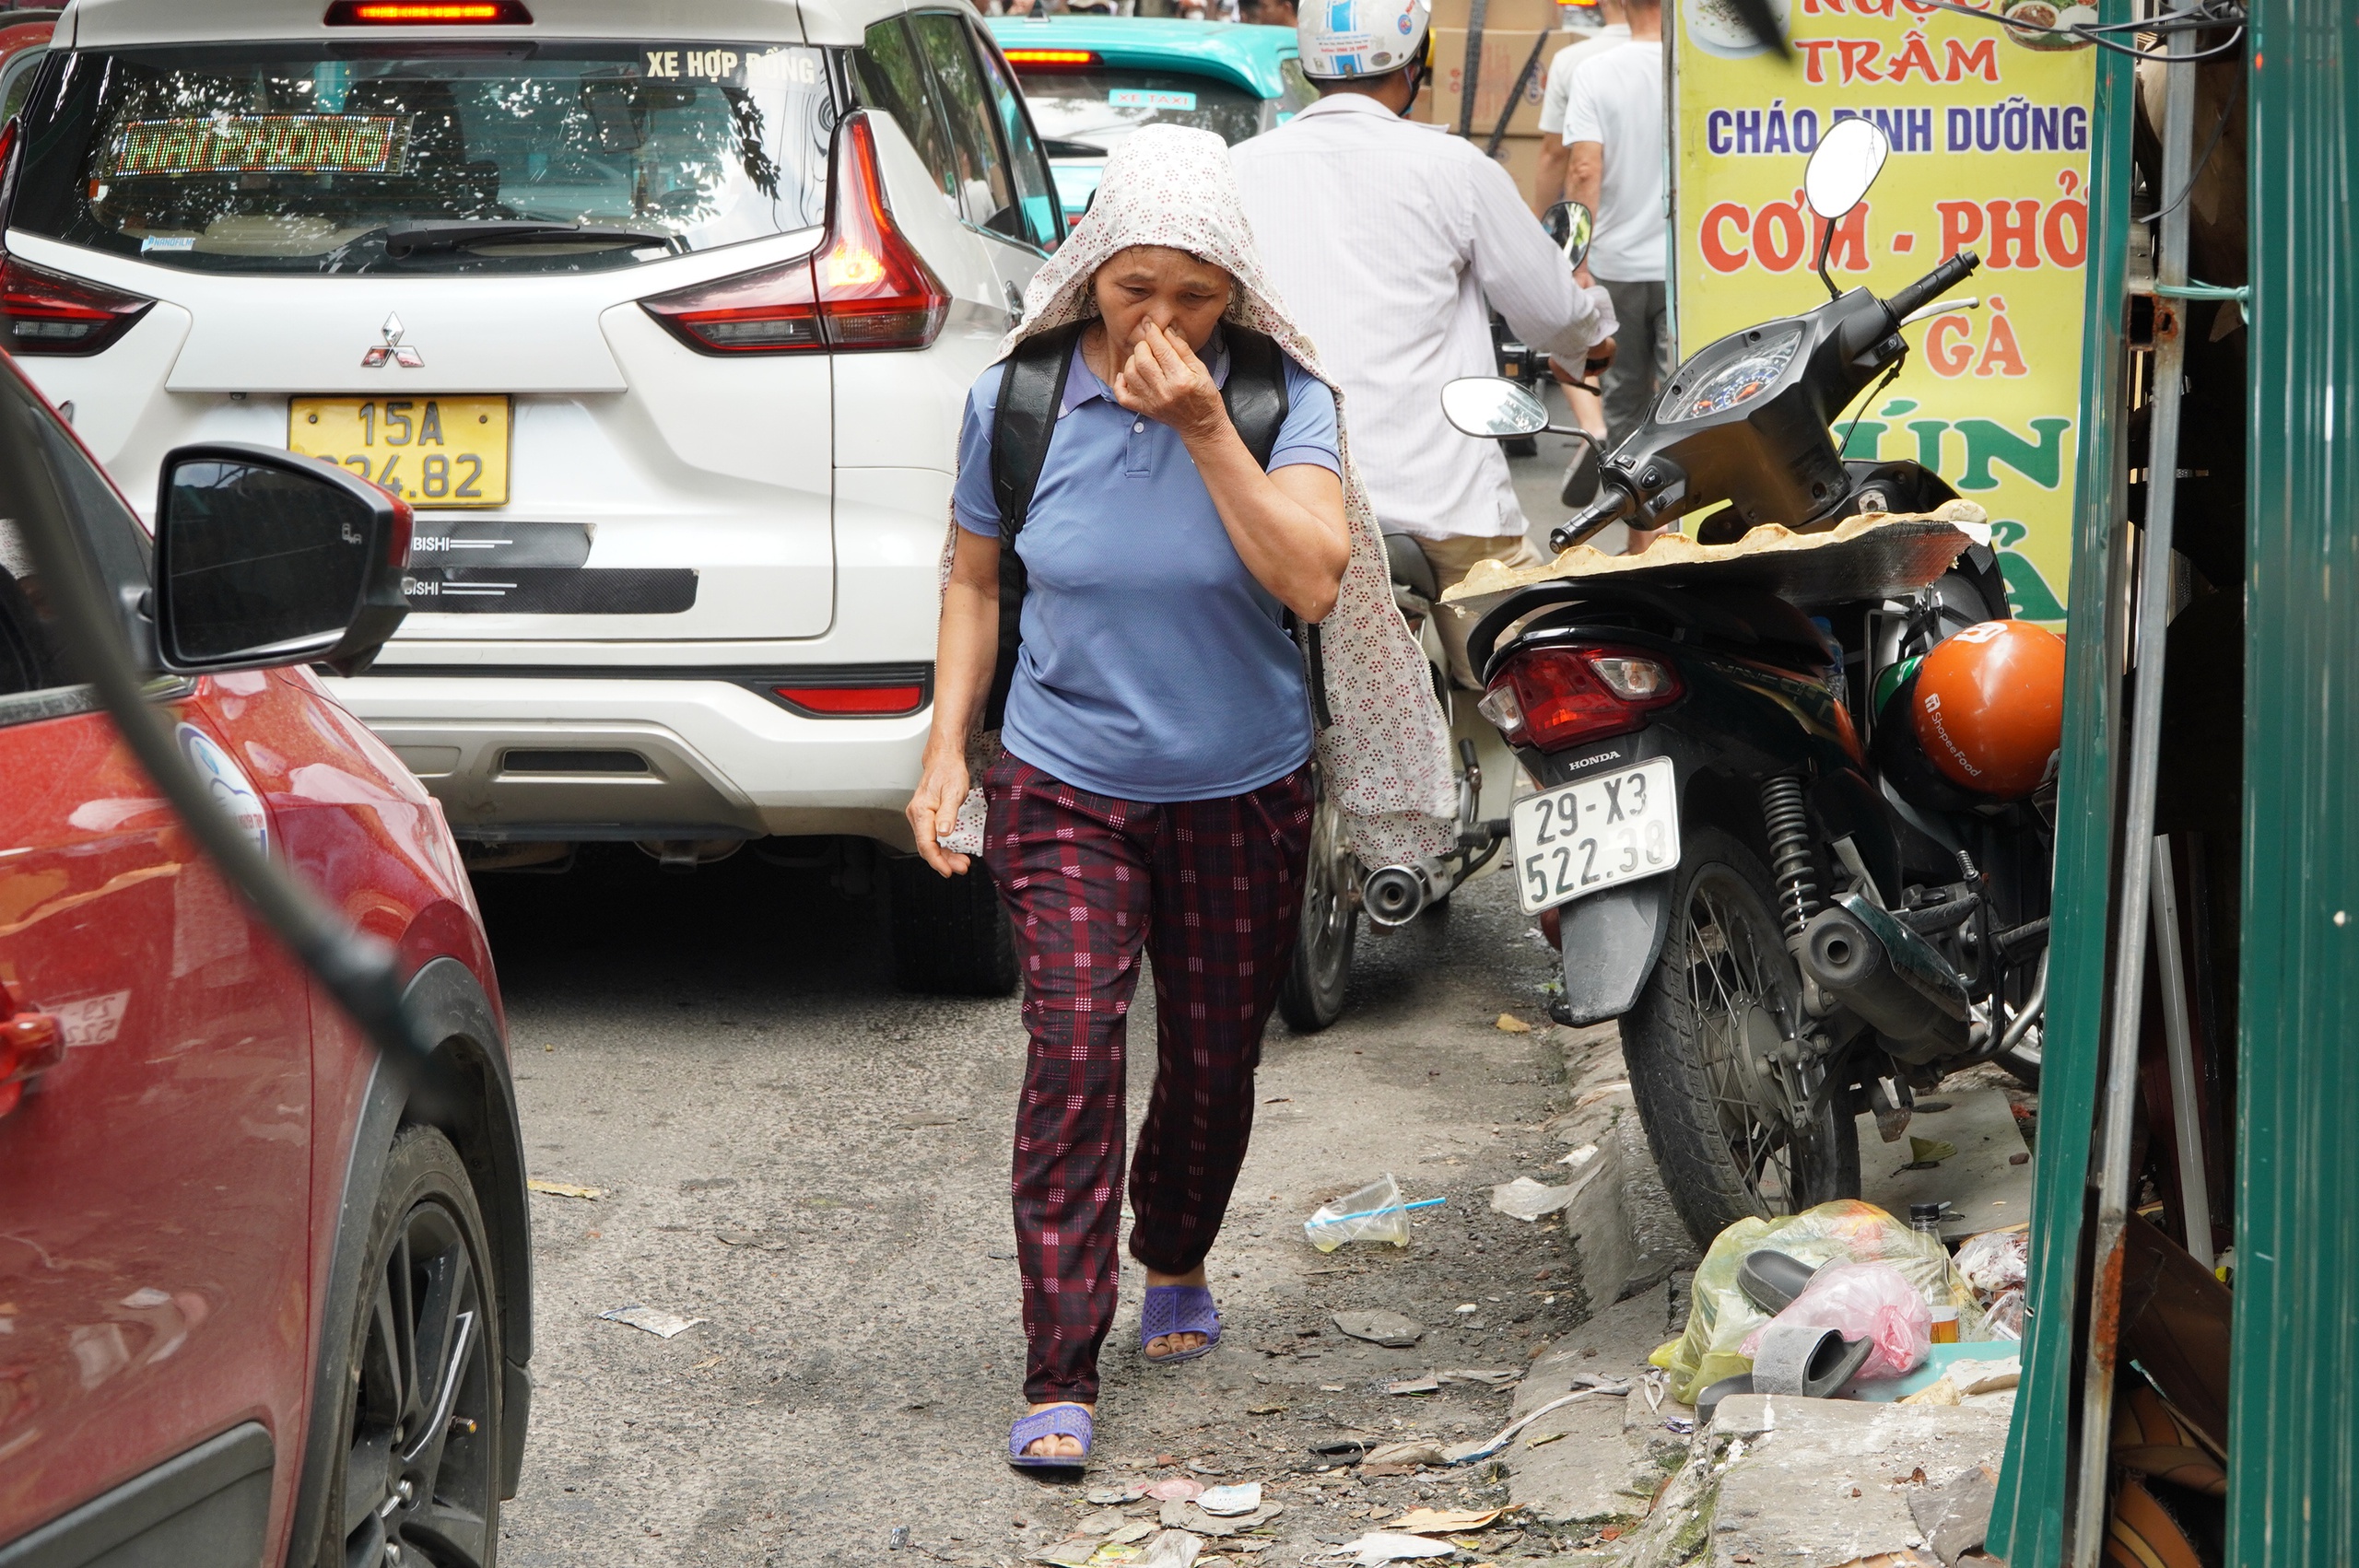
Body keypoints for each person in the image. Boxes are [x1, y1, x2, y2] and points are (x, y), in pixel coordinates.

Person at [905, 125, 1454, 1470]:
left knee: (1212, 1064)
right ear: (1090, 268)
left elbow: (1314, 577)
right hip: (1064, 780)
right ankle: (1059, 1362)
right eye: (1136, 286)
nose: (1163, 318)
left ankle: (1179, 1248)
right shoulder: (1018, 400)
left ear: (1237, 296)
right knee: (1075, 1056)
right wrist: (943, 745)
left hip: (1243, 789)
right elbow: (976, 581)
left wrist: (1207, 424)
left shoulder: (1278, 401)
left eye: (1196, 296)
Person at [1230, 0, 1616, 688]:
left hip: (1279, 503)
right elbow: (1554, 313)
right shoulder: (1455, 168)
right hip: (1444, 507)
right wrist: (1593, 338)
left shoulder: (1235, 172)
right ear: (1417, 63)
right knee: (1538, 690)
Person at [1564, 0, 1668, 479]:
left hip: (1616, 263)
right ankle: (1679, 514)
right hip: (1683, 267)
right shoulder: (1690, 69)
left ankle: (1635, 522)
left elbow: (1584, 169)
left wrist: (1575, 260)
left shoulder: (1595, 72)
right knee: (1682, 392)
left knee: (1625, 396)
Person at [1532, 0, 1629, 215]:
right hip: (1677, 231)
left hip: (1601, 231)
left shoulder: (1572, 61)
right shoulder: (1677, 59)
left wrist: (1539, 222)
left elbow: (1556, 154)